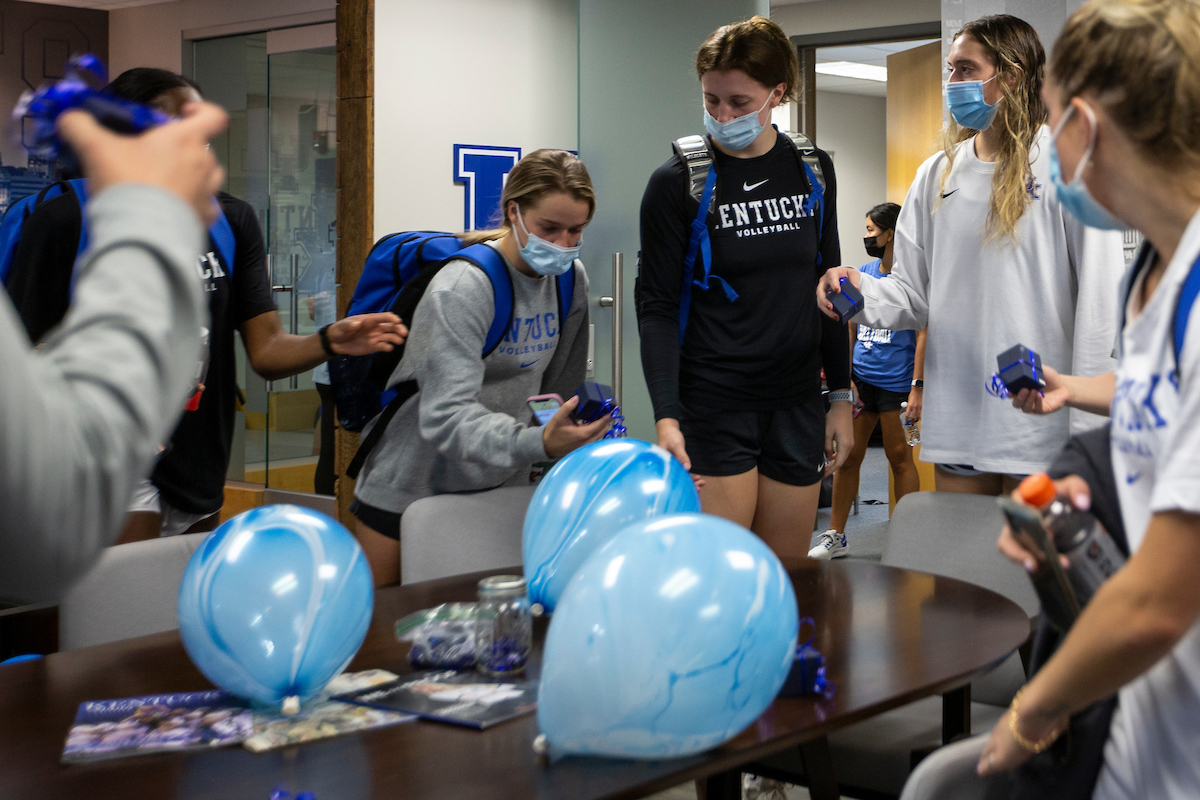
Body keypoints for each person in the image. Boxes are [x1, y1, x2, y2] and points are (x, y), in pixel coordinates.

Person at [5, 68, 406, 540]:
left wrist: (329, 340)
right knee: (127, 603)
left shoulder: (230, 221)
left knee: (179, 605)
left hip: (198, 457)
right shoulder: (65, 219)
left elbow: (268, 352)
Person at [976, 2, 1200, 797]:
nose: (1041, 148)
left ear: (1083, 122)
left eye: (1046, 121)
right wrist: (1089, 448)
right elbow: (1160, 404)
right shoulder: (1162, 271)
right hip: (1150, 712)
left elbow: (1160, 603)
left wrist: (1034, 710)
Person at [817, 14, 1124, 496]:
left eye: (965, 68)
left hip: (1041, 420)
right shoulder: (938, 174)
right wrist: (855, 294)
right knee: (959, 568)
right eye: (951, 68)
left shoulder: (1068, 163)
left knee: (1032, 571)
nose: (952, 81)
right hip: (959, 411)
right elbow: (913, 294)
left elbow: (1101, 302)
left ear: (1012, 76)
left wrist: (1091, 432)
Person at [638, 16, 852, 561]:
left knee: (786, 582)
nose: (722, 116)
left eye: (739, 101)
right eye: (711, 100)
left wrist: (841, 399)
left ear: (778, 93)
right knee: (721, 577)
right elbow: (657, 308)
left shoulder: (812, 170)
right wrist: (665, 416)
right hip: (714, 402)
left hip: (797, 400)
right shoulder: (676, 183)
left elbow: (829, 286)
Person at [1, 101, 224, 602]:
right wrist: (150, 215)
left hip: (191, 467)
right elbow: (40, 538)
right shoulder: (57, 217)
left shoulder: (231, 222)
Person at [351, 149, 606, 587]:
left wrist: (566, 445)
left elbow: (556, 392)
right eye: (549, 229)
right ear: (514, 212)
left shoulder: (570, 279)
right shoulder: (462, 287)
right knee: (383, 630)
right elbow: (445, 417)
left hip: (502, 481)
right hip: (410, 485)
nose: (563, 244)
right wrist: (538, 442)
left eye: (575, 231)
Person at [811, 203, 926, 559]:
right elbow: (848, 326)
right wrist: (845, 381)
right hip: (863, 380)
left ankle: (909, 538)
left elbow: (923, 333)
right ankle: (836, 534)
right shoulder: (863, 272)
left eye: (872, 231)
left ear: (891, 234)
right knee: (848, 458)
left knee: (899, 459)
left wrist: (917, 387)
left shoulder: (910, 280)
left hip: (896, 384)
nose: (867, 237)